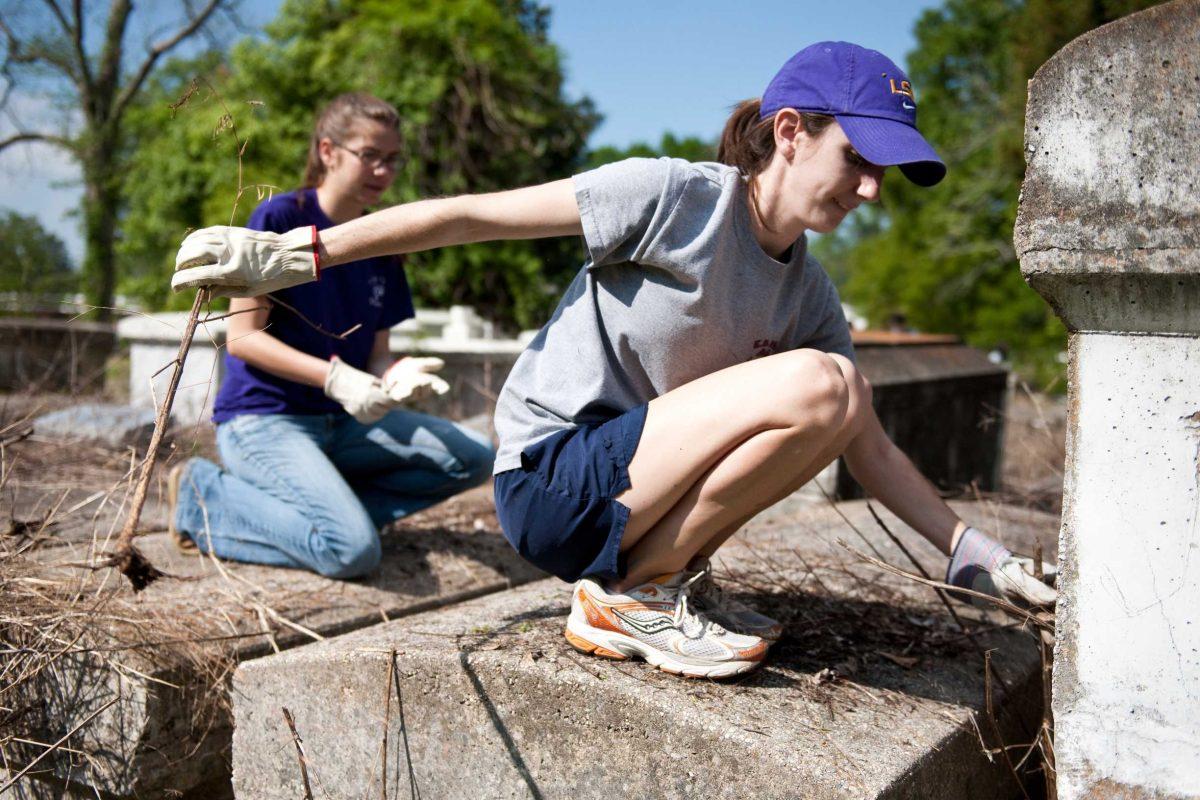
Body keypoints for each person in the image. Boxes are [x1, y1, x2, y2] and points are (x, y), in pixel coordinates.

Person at [170, 44, 1056, 676]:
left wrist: (976, 554)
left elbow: (871, 446)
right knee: (827, 383)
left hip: (628, 490)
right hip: (552, 478)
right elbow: (471, 214)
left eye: (884, 172)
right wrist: (304, 254)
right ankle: (640, 589)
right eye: (857, 158)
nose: (871, 189)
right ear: (790, 131)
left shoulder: (809, 294)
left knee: (835, 399)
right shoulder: (676, 199)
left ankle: (645, 587)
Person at [167, 92, 495, 579]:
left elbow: (379, 356)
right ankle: (202, 497)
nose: (382, 172)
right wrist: (335, 378)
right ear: (328, 151)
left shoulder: (384, 242)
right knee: (351, 552)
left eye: (392, 160)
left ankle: (324, 516)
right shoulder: (280, 221)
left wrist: (397, 376)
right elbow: (242, 339)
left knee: (473, 458)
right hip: (265, 420)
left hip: (341, 426)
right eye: (370, 155)